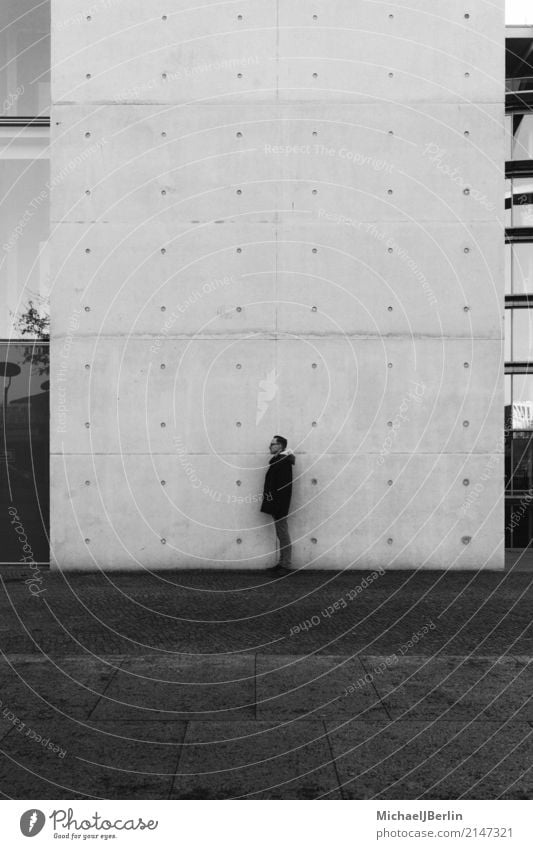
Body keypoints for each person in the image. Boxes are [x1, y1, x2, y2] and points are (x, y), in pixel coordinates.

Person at [260, 435, 295, 571]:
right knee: (281, 533)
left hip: (279, 505)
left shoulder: (283, 462)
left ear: (280, 446)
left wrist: (278, 506)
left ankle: (285, 564)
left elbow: (284, 487)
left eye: (272, 444)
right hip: (276, 504)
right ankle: (282, 563)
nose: (270, 446)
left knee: (283, 533)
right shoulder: (278, 461)